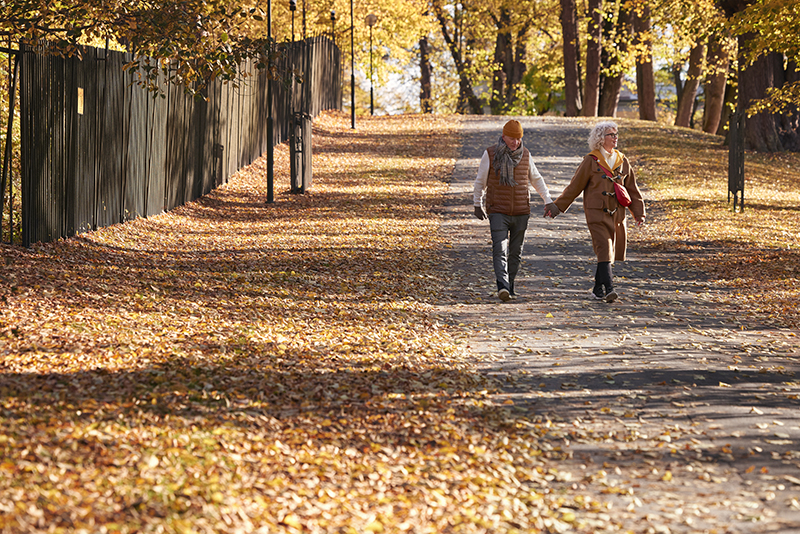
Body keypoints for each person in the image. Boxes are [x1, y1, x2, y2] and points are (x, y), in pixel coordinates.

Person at [545, 121, 645, 302]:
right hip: (597, 212)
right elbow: (574, 187)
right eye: (611, 134)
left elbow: (632, 188)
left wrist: (638, 213)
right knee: (605, 248)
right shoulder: (591, 160)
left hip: (617, 214)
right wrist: (556, 207)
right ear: (600, 138)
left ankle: (597, 289)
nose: (615, 138)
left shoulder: (622, 160)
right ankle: (609, 290)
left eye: (616, 134)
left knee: (608, 252)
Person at [473, 119, 558, 302]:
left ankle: (510, 286)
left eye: (518, 138)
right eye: (512, 138)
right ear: (503, 136)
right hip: (498, 211)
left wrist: (548, 201)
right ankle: (502, 287)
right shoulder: (490, 154)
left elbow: (536, 179)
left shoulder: (525, 154)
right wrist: (476, 203)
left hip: (521, 211)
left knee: (515, 252)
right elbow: (481, 180)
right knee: (500, 249)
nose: (515, 142)